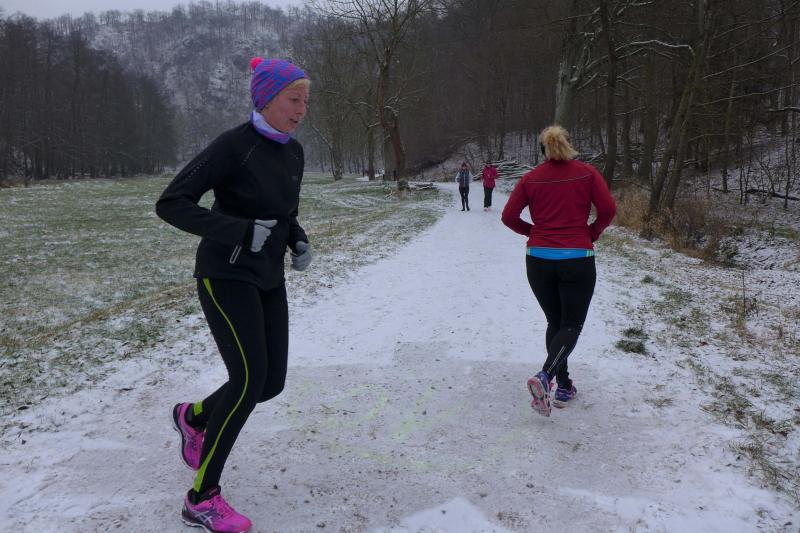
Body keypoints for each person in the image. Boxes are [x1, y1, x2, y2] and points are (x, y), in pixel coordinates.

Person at [155, 57, 312, 532]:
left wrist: (296, 238)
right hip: (224, 274)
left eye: (306, 101)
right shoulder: (232, 146)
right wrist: (239, 231)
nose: (302, 109)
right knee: (247, 381)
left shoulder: (294, 152)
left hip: (268, 276)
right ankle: (201, 498)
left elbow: (284, 212)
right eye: (294, 99)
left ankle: (194, 417)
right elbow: (171, 203)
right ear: (266, 99)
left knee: (270, 383)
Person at [501, 125, 615, 417]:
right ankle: (545, 376)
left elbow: (508, 216)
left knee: (556, 321)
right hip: (577, 257)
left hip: (538, 259)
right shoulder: (587, 173)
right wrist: (592, 232)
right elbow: (608, 210)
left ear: (543, 150)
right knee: (571, 324)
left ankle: (563, 385)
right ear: (569, 145)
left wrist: (533, 232)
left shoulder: (531, 178)